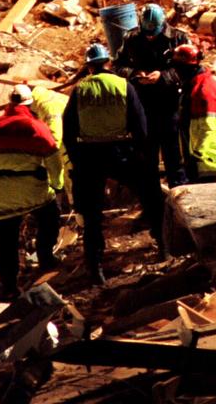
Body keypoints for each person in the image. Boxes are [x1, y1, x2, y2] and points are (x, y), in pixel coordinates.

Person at [63, 42, 165, 286]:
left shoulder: (79, 89)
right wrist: (141, 155)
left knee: (91, 214)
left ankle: (95, 267)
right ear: (108, 63)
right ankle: (163, 244)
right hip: (121, 151)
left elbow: (68, 129)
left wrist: (77, 158)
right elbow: (140, 124)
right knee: (151, 196)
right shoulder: (123, 85)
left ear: (89, 66)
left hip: (89, 154)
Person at [0, 85, 63, 300]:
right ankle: (45, 257)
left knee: (6, 239)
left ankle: (8, 285)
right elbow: (54, 159)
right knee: (50, 217)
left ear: (9, 103)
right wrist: (57, 184)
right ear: (29, 104)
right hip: (32, 189)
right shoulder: (36, 126)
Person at [115, 3, 189, 187]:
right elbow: (118, 66)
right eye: (146, 33)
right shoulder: (131, 38)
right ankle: (152, 198)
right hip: (142, 104)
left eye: (153, 33)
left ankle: (179, 188)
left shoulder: (178, 38)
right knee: (147, 154)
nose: (150, 37)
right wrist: (134, 74)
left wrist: (163, 76)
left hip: (169, 102)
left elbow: (187, 69)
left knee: (172, 151)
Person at [172, 43, 216, 182]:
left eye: (177, 67)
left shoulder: (204, 89)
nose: (175, 71)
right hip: (203, 156)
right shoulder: (194, 84)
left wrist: (196, 154)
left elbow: (206, 127)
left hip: (210, 158)